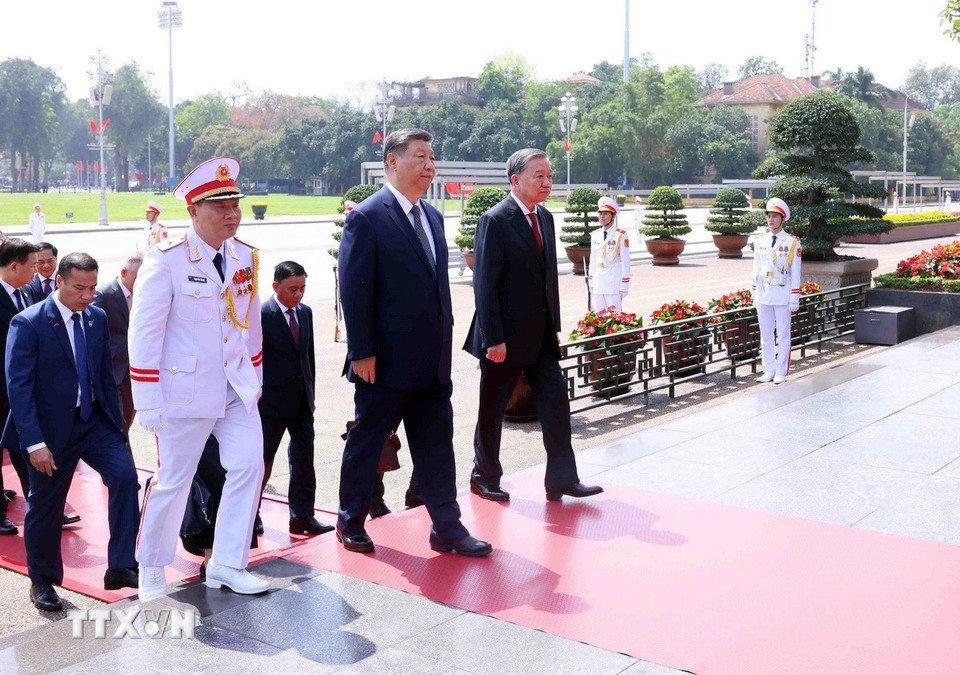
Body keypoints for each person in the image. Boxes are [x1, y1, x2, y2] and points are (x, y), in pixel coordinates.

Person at [337, 128, 491, 557]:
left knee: (437, 448)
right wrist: (362, 351)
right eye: (420, 156)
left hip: (432, 361)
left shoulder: (433, 216)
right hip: (384, 362)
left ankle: (447, 527)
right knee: (368, 443)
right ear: (392, 161)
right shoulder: (367, 217)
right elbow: (355, 290)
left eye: (432, 157)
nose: (430, 165)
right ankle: (350, 521)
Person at [130, 156, 270, 601]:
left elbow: (250, 325)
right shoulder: (166, 259)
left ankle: (227, 563)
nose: (232, 214)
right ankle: (151, 566)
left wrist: (255, 379)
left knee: (249, 467)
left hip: (235, 387)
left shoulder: (245, 254)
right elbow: (145, 332)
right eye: (220, 207)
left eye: (235, 205)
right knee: (175, 478)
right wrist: (146, 398)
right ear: (193, 210)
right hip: (184, 390)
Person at [2, 252, 140, 611]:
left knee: (126, 478)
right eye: (80, 288)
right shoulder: (28, 323)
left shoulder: (96, 317)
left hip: (94, 422)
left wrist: (118, 428)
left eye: (92, 287)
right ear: (59, 281)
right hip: (49, 432)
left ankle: (121, 565)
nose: (87, 295)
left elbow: (105, 376)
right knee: (46, 507)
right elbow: (19, 388)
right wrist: (34, 443)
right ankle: (42, 581)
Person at [464, 148, 603, 503]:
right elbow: (485, 285)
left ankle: (561, 479)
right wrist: (493, 338)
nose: (547, 182)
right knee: (492, 409)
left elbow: (546, 279)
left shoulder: (545, 217)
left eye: (550, 176)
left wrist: (553, 324)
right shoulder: (495, 220)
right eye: (539, 176)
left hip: (540, 335)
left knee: (556, 403)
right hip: (503, 338)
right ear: (516, 180)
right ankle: (484, 476)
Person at [255, 260, 332, 537]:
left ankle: (302, 516)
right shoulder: (261, 314)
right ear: (275, 286)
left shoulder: (305, 313)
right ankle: (251, 515)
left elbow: (307, 358)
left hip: (301, 403)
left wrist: (311, 394)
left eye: (302, 288)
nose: (298, 294)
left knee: (304, 460)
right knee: (261, 462)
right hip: (270, 405)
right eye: (292, 289)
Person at [0, 238, 38, 534]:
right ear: (14, 266)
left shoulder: (26, 292)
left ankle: (40, 506)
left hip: (20, 388)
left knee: (24, 447)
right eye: (32, 265)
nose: (36, 271)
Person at [753, 197, 802, 385]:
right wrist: (755, 293)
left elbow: (795, 272)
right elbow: (756, 269)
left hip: (782, 294)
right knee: (765, 335)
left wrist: (794, 298)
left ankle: (781, 371)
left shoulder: (792, 242)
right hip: (764, 293)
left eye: (775, 216)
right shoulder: (760, 241)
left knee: (783, 335)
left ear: (783, 219)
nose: (771, 219)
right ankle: (769, 370)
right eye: (769, 216)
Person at [92, 251, 144, 430]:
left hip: (136, 371)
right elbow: (94, 334)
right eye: (138, 278)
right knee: (116, 421)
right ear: (124, 273)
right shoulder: (103, 294)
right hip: (114, 370)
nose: (142, 282)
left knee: (127, 417)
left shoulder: (146, 295)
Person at [588, 196, 631, 312]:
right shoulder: (595, 235)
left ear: (613, 216)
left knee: (614, 317)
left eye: (606, 214)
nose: (602, 216)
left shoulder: (620, 235)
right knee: (598, 316)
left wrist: (624, 285)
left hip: (613, 283)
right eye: (600, 213)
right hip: (598, 283)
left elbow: (625, 262)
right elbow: (593, 260)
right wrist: (591, 281)